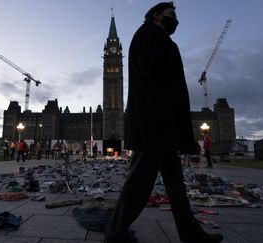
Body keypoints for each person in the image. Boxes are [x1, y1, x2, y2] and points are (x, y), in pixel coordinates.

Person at [104, 2, 223, 243]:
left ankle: (192, 235)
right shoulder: (149, 34)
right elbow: (155, 76)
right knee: (139, 183)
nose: (175, 20)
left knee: (176, 185)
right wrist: (169, 107)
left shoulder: (154, 36)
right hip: (154, 124)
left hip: (162, 125)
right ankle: (114, 234)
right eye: (172, 14)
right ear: (157, 15)